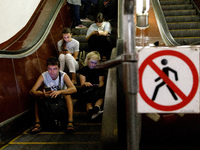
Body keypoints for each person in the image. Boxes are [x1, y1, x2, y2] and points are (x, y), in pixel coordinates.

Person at [29, 57, 77, 133]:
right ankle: (37, 122)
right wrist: (42, 94)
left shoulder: (63, 75)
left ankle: (70, 122)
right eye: (50, 69)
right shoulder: (44, 75)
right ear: (47, 68)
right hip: (49, 97)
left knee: (68, 96)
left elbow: (74, 89)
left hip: (60, 98)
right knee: (37, 97)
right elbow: (32, 91)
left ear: (59, 68)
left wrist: (60, 92)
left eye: (55, 69)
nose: (52, 72)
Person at [79, 51, 105, 119]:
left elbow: (101, 82)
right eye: (92, 62)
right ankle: (91, 111)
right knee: (88, 99)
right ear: (87, 60)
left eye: (95, 63)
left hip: (97, 88)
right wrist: (86, 84)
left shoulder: (100, 69)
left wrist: (97, 85)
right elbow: (82, 84)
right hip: (87, 89)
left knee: (101, 95)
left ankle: (96, 107)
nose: (93, 65)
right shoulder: (83, 70)